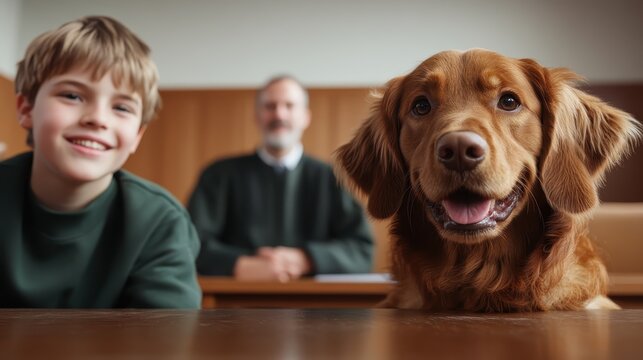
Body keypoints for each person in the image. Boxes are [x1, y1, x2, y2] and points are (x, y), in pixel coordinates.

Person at [0, 16, 201, 308]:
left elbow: (165, 344)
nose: (98, 118)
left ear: (137, 136)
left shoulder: (160, 222)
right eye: (72, 95)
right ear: (26, 109)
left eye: (121, 107)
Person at [188, 75, 374, 282]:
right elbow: (190, 242)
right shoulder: (218, 175)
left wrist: (306, 259)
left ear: (305, 117)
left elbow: (361, 249)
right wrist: (238, 264)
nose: (279, 114)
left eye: (289, 105)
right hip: (236, 305)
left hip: (314, 309)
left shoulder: (332, 178)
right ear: (257, 116)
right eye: (270, 106)